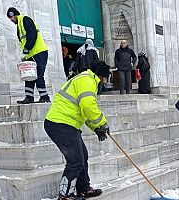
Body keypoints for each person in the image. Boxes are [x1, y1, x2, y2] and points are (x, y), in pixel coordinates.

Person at [44, 61, 109, 200]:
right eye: (105, 78)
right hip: (60, 123)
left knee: (82, 156)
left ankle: (83, 189)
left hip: (67, 123)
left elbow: (83, 113)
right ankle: (65, 194)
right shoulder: (87, 80)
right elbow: (87, 106)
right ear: (102, 76)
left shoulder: (84, 79)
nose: (105, 82)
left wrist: (96, 128)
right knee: (75, 160)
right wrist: (102, 123)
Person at [7, 7, 50, 104]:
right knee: (29, 76)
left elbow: (32, 34)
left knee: (39, 76)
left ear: (14, 15)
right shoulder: (19, 26)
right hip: (31, 54)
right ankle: (29, 98)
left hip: (39, 53)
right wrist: (24, 55)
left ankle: (45, 98)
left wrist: (27, 48)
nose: (11, 20)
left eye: (11, 18)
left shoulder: (25, 20)